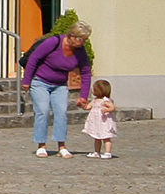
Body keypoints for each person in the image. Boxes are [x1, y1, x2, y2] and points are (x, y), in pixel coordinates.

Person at [22, 21, 94, 158]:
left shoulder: (80, 51)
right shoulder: (54, 42)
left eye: (85, 40)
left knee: (61, 112)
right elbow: (34, 59)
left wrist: (83, 96)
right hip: (40, 82)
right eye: (81, 39)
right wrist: (27, 80)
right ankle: (41, 145)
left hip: (60, 84)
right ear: (71, 36)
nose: (83, 43)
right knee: (42, 111)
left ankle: (62, 146)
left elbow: (85, 71)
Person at [81, 79, 118, 159]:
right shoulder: (94, 100)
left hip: (103, 121)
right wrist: (83, 105)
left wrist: (107, 110)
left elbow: (113, 107)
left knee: (106, 137)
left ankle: (108, 152)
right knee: (96, 137)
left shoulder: (105, 101)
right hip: (96, 121)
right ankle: (96, 152)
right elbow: (88, 107)